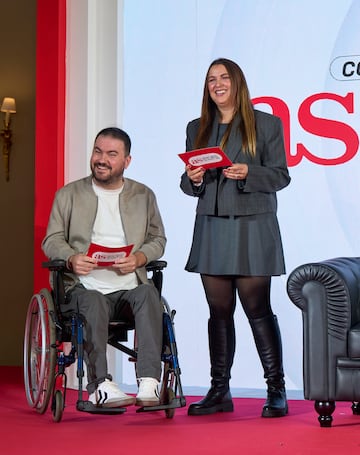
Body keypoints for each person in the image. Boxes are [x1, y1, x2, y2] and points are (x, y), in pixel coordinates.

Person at [180, 58, 291, 418]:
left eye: (224, 77)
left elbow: (280, 176)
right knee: (219, 312)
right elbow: (188, 184)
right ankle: (219, 391)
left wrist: (249, 172)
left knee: (258, 309)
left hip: (253, 225)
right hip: (212, 226)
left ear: (238, 82)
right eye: (211, 79)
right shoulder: (197, 126)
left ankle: (276, 390)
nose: (217, 84)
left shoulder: (267, 124)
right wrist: (194, 178)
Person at [42, 127, 166, 408]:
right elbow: (51, 239)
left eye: (112, 154)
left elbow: (158, 239)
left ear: (126, 161)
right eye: (98, 151)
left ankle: (149, 381)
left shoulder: (143, 195)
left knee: (149, 296)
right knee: (94, 301)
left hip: (128, 289)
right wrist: (72, 257)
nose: (102, 159)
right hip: (83, 289)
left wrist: (140, 258)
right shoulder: (69, 195)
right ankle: (100, 385)